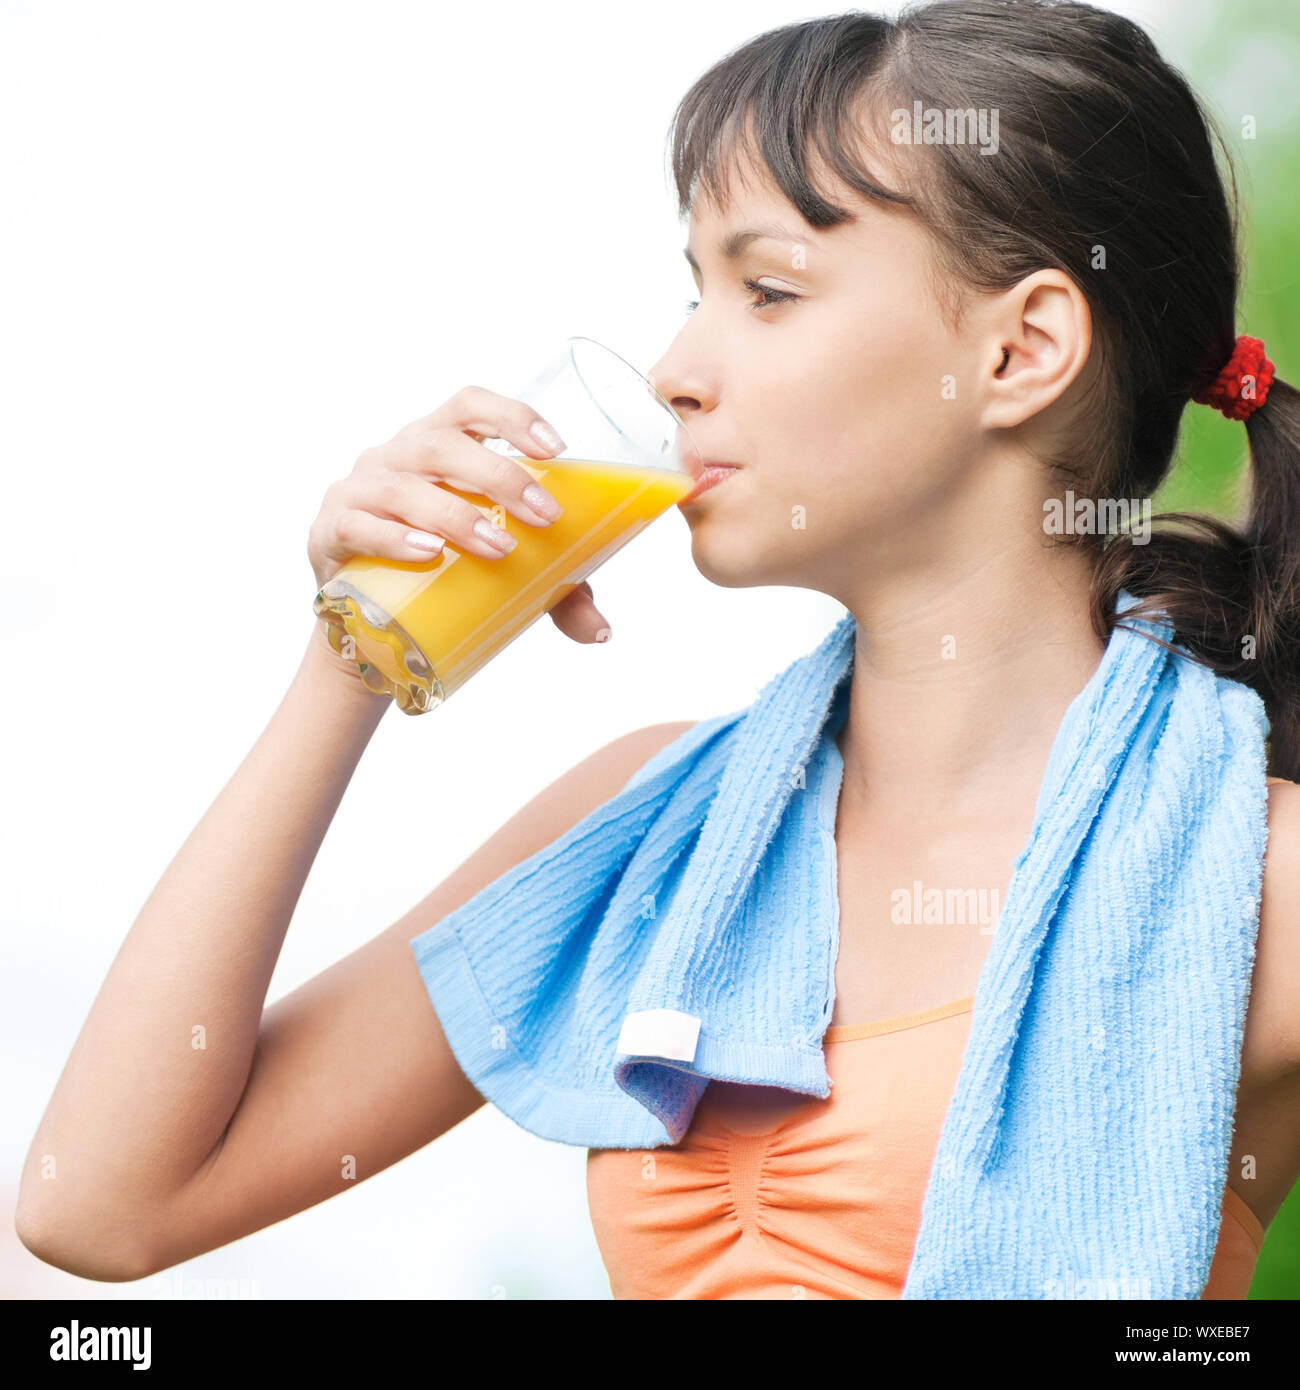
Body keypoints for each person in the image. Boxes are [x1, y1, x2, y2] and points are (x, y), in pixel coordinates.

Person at [17, 0, 1300, 1297]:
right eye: (694, 291)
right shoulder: (655, 824)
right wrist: (351, 654)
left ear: (1020, 348)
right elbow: (104, 1206)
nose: (676, 369)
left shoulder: (1259, 873)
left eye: (769, 289)